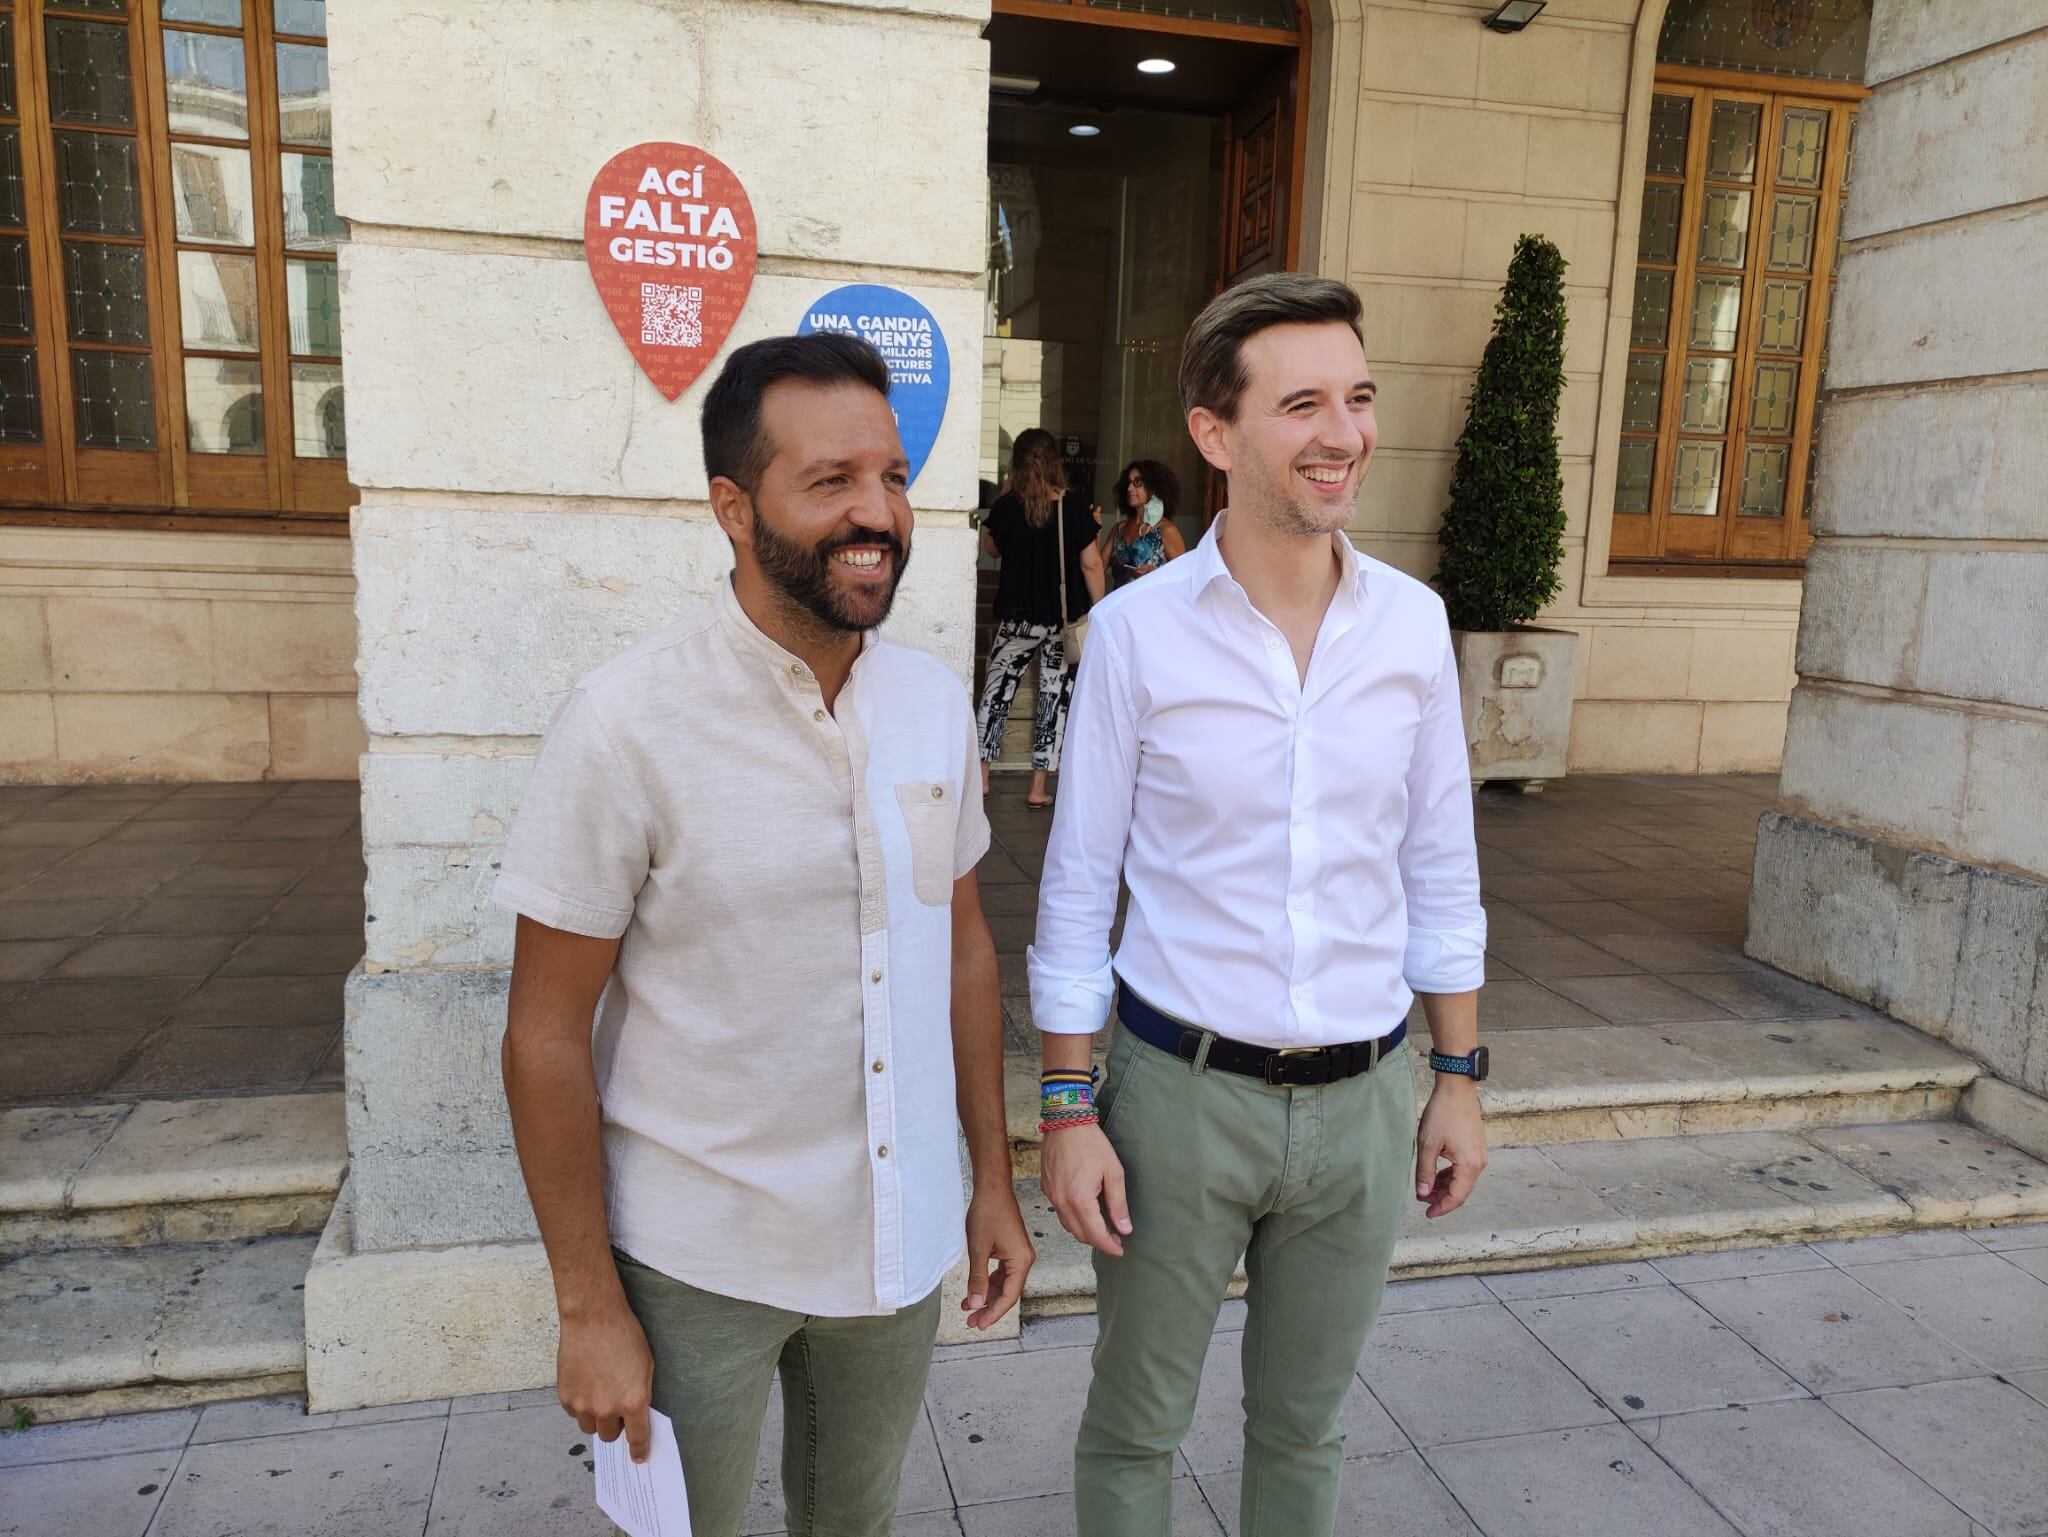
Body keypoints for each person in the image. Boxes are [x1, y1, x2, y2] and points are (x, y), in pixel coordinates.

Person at [493, 333, 1033, 1537]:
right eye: (831, 480)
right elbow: (541, 1030)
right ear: (733, 508)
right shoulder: (627, 723)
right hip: (699, 1258)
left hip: (894, 1246)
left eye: (891, 478)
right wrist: (587, 1303)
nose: (877, 513)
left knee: (856, 1524)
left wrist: (991, 1180)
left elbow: (962, 949)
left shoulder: (932, 704)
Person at [1029, 273, 1491, 1535]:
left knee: (1305, 1429)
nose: (1340, 431)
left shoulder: (1410, 627)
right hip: (1176, 1100)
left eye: (1355, 396)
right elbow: (1075, 891)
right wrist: (1066, 1106)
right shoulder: (1135, 636)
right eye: (1300, 404)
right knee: (1134, 1428)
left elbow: (1440, 867)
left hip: (1362, 1103)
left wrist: (1456, 1073)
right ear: (1215, 434)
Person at [975, 427, 1107, 808]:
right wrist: (1100, 612)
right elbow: (1091, 563)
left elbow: (992, 549)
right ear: (1054, 461)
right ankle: (1037, 788)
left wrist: (1004, 502)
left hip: (1017, 618)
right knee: (1054, 699)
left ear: (1017, 463)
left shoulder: (1008, 506)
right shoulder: (1074, 507)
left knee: (997, 694)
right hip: (1060, 622)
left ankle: (983, 777)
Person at [1104, 457, 1186, 588]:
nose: (1129, 488)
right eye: (1128, 483)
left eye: (1137, 482)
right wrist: (1094, 532)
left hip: (1153, 607)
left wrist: (1156, 574)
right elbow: (1095, 568)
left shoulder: (1166, 530)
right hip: (1120, 607)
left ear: (1153, 488)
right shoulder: (1118, 529)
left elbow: (1184, 579)